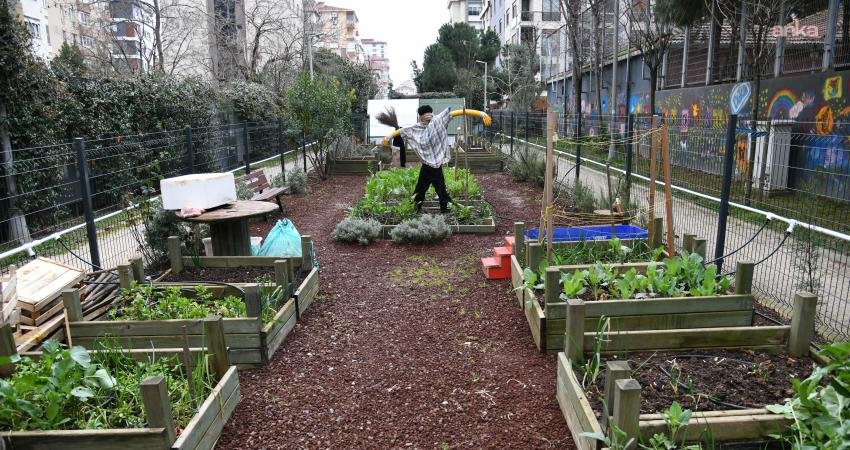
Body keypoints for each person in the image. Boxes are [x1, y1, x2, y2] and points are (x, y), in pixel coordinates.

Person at [382, 105, 491, 212]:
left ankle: (421, 207)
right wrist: (387, 138)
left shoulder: (437, 122)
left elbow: (457, 113)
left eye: (430, 114)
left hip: (434, 164)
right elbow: (401, 131)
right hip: (428, 165)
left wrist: (482, 114)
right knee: (432, 188)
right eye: (426, 115)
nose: (429, 117)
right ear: (421, 117)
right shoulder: (417, 128)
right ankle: (441, 207)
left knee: (425, 188)